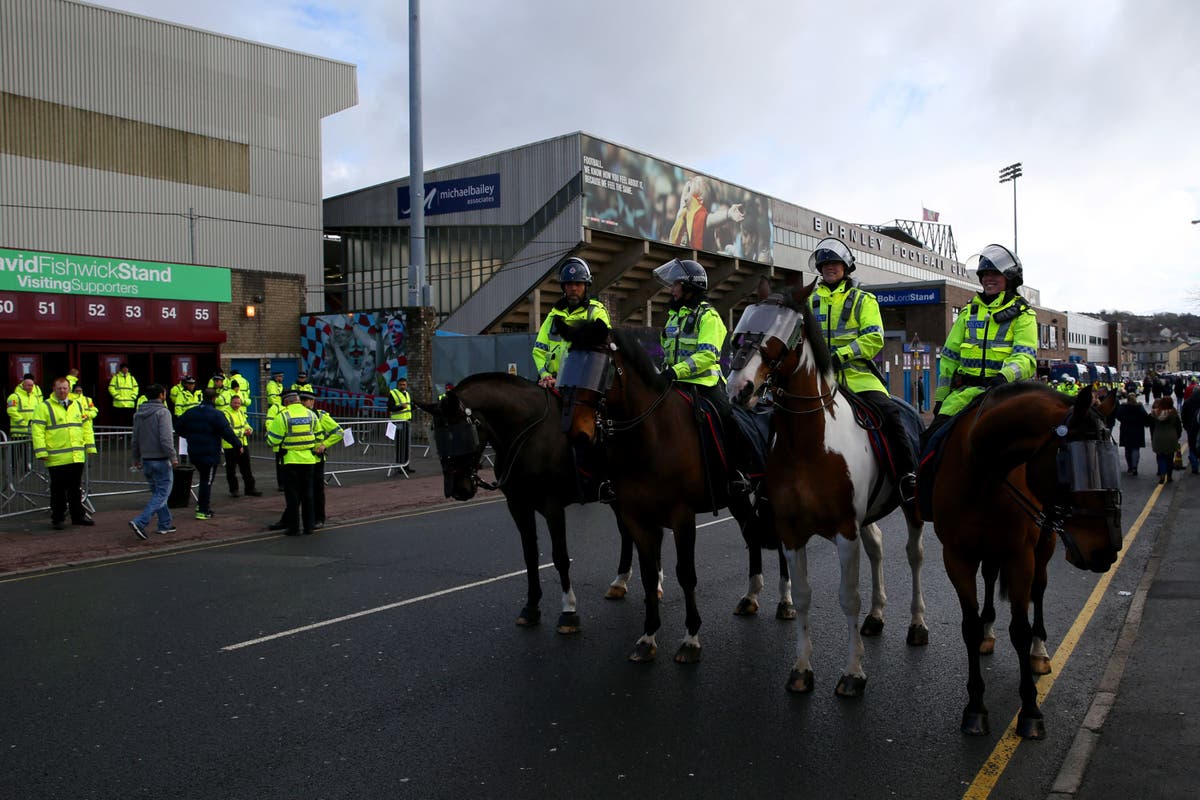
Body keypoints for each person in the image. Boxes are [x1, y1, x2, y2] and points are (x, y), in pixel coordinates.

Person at [807, 238, 918, 502]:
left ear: (845, 266)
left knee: (891, 415)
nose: (829, 268)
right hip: (817, 378)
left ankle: (907, 476)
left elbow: (873, 337)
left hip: (858, 376)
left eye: (834, 263)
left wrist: (840, 355)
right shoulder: (809, 300)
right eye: (824, 264)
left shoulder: (862, 299)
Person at [653, 257, 757, 499]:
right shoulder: (673, 316)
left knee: (729, 420)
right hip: (674, 384)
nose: (671, 289)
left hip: (704, 386)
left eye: (676, 284)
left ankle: (738, 474)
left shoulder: (708, 316)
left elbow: (708, 355)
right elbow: (667, 352)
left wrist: (675, 371)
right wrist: (662, 373)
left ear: (690, 287)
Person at [931, 244, 1037, 428]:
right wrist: (941, 398)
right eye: (984, 274)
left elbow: (1025, 358)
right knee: (931, 442)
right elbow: (949, 358)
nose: (988, 278)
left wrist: (1004, 377)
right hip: (963, 396)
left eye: (994, 274)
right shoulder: (968, 312)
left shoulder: (1023, 314)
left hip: (1006, 394)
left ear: (1010, 277)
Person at [532, 257, 611, 388]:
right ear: (564, 287)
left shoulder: (597, 312)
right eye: (569, 284)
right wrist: (545, 375)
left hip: (585, 385)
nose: (573, 288)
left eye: (578, 284)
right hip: (552, 383)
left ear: (586, 286)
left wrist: (561, 380)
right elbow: (538, 351)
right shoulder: (553, 316)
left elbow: (601, 356)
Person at [31, 377, 96, 530]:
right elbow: (38, 431)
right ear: (54, 389)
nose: (62, 391)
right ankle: (58, 518)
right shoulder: (44, 407)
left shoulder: (78, 405)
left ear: (69, 389)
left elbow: (86, 427)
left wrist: (90, 447)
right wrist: (41, 451)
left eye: (65, 388)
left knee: (75, 488)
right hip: (56, 456)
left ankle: (77, 517)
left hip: (76, 455)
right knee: (58, 490)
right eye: (59, 388)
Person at [177, 388, 242, 519]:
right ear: (214, 399)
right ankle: (203, 510)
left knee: (203, 478)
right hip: (210, 452)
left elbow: (178, 427)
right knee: (206, 480)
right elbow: (227, 432)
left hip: (194, 451)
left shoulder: (190, 412)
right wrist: (238, 445)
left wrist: (190, 436)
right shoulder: (216, 414)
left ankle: (202, 503)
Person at [266, 389, 322, 536]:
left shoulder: (283, 416)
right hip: (309, 461)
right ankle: (309, 527)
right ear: (298, 400)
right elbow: (319, 436)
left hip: (290, 461)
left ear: (286, 402)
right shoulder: (311, 414)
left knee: (292, 496)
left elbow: (273, 439)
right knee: (308, 495)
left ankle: (294, 528)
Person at [129, 384, 178, 539]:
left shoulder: (139, 414)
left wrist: (136, 457)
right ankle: (141, 521)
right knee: (162, 494)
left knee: (158, 493)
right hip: (161, 459)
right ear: (161, 395)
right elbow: (166, 438)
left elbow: (135, 438)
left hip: (146, 459)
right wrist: (173, 457)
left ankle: (165, 524)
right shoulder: (163, 412)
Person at [303, 391, 343, 528]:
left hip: (316, 459)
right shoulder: (298, 415)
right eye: (301, 400)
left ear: (312, 402)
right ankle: (289, 518)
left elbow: (339, 432)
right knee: (297, 490)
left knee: (317, 490)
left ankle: (319, 518)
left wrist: (324, 444)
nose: (303, 403)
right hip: (300, 459)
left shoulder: (320, 415)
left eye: (306, 400)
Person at [222, 393, 260, 497]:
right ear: (231, 402)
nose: (237, 405)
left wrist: (250, 430)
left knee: (246, 468)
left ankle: (250, 488)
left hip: (243, 444)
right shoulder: (226, 413)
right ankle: (234, 490)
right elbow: (228, 430)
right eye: (235, 403)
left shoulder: (241, 412)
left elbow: (246, 424)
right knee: (231, 469)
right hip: (230, 445)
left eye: (239, 403)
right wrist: (243, 432)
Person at [1115, 392, 1152, 475]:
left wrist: (1124, 420)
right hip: (1137, 430)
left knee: (1127, 449)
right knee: (1135, 449)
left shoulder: (1123, 407)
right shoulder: (1139, 407)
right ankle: (1135, 467)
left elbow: (1118, 415)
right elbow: (1145, 417)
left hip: (1126, 430)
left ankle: (1130, 467)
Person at [1149, 396, 1182, 485]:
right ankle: (1169, 476)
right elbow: (1179, 427)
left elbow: (1149, 423)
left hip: (1158, 436)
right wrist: (1177, 436)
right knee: (1170, 458)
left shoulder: (1155, 413)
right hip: (1171, 436)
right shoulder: (1174, 413)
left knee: (1161, 457)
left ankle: (1162, 474)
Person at [387, 376, 414, 470]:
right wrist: (401, 407)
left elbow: (409, 407)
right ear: (398, 385)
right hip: (398, 423)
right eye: (401, 385)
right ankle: (399, 466)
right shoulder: (393, 393)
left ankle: (406, 466)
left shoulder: (407, 393)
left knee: (406, 445)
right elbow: (390, 408)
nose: (403, 386)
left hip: (406, 422)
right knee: (400, 445)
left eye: (404, 385)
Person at [1180, 387, 1200, 475]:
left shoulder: (1188, 401)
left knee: (1192, 445)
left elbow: (1183, 414)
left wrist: (1185, 425)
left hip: (1190, 427)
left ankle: (1195, 466)